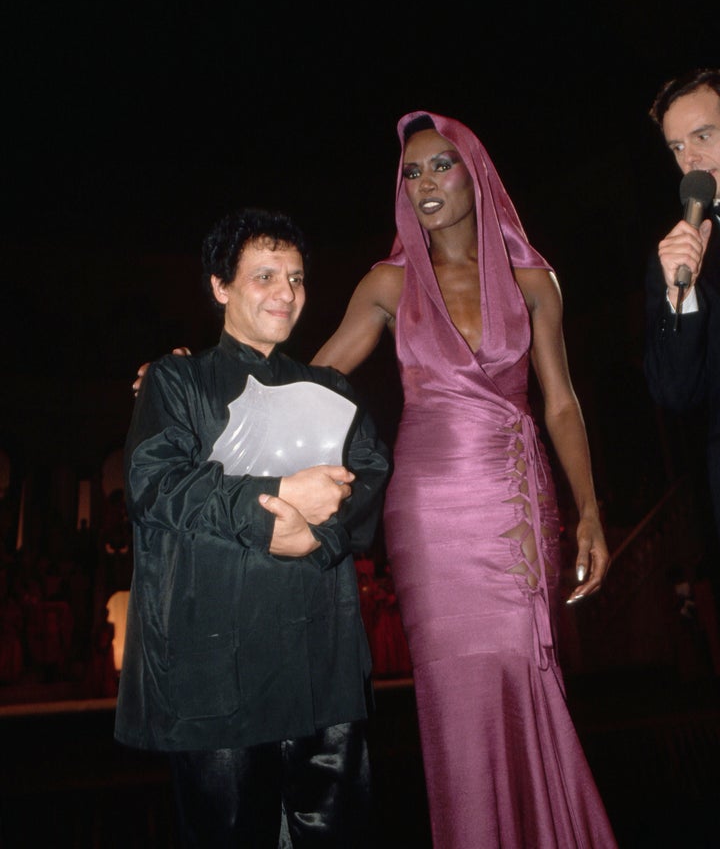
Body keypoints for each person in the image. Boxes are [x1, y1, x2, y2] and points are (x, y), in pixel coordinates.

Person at [132, 116, 615, 848]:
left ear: (476, 174)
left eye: (440, 166)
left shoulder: (535, 282)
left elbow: (562, 402)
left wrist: (589, 511)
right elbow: (312, 378)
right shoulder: (388, 283)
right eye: (410, 172)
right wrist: (192, 373)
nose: (423, 183)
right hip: (429, 506)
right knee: (453, 690)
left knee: (528, 669)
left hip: (515, 498)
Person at [116, 207, 390, 848]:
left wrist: (316, 535)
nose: (286, 293)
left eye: (295, 278)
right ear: (220, 286)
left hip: (323, 668)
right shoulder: (176, 381)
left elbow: (372, 478)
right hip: (219, 676)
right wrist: (275, 504)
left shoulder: (334, 391)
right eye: (264, 276)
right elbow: (154, 484)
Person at [643, 68, 720, 548]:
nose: (689, 158)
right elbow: (673, 392)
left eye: (704, 135)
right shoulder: (676, 256)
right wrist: (681, 293)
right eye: (676, 147)